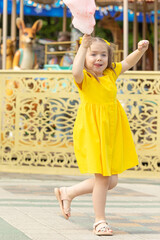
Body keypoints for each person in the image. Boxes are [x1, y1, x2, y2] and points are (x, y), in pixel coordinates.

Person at [54, 34, 149, 236]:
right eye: (93, 54)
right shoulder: (84, 79)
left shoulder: (111, 73)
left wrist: (140, 50)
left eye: (103, 55)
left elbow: (127, 63)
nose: (99, 58)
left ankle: (67, 192)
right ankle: (100, 220)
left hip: (111, 130)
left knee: (110, 181)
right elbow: (75, 70)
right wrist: (82, 47)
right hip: (93, 131)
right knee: (103, 178)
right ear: (85, 56)